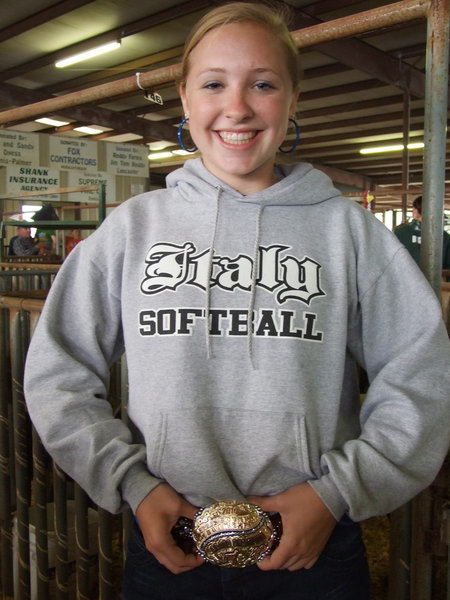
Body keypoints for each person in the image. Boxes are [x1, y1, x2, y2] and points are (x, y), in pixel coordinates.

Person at [24, 3, 450, 599]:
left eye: (264, 84)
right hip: (170, 536)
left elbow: (420, 375)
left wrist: (338, 492)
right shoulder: (132, 230)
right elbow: (58, 371)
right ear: (185, 98)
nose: (238, 107)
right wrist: (132, 484)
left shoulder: (348, 233)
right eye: (214, 83)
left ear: (294, 99)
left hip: (312, 545)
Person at [394, 195, 450, 269]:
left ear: (415, 210)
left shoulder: (400, 233)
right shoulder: (445, 236)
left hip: (404, 278)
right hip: (435, 279)